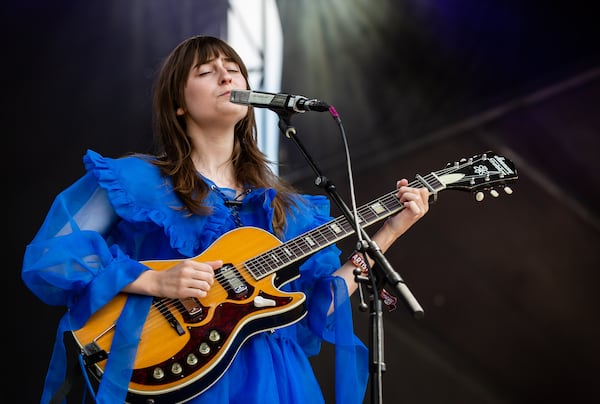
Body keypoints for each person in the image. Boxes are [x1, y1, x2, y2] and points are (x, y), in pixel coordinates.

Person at [22, 35, 430, 404]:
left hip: (276, 382)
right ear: (178, 103)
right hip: (168, 368)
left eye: (233, 69)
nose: (225, 74)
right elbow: (51, 256)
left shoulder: (286, 209)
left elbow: (317, 306)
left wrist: (390, 232)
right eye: (206, 70)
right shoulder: (135, 180)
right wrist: (153, 279)